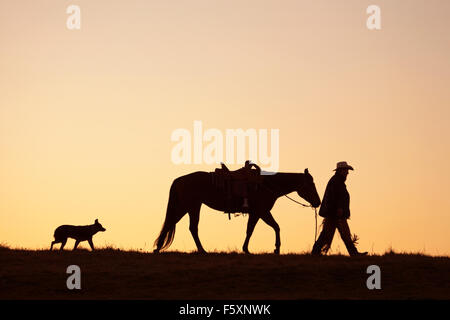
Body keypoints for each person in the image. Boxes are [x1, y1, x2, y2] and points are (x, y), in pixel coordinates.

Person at [312, 161, 367, 257]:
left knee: (329, 234)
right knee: (342, 234)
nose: (347, 172)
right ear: (341, 171)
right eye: (346, 170)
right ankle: (354, 253)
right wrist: (339, 208)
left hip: (333, 213)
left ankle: (315, 253)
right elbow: (336, 197)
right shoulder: (337, 181)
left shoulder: (336, 181)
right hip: (335, 214)